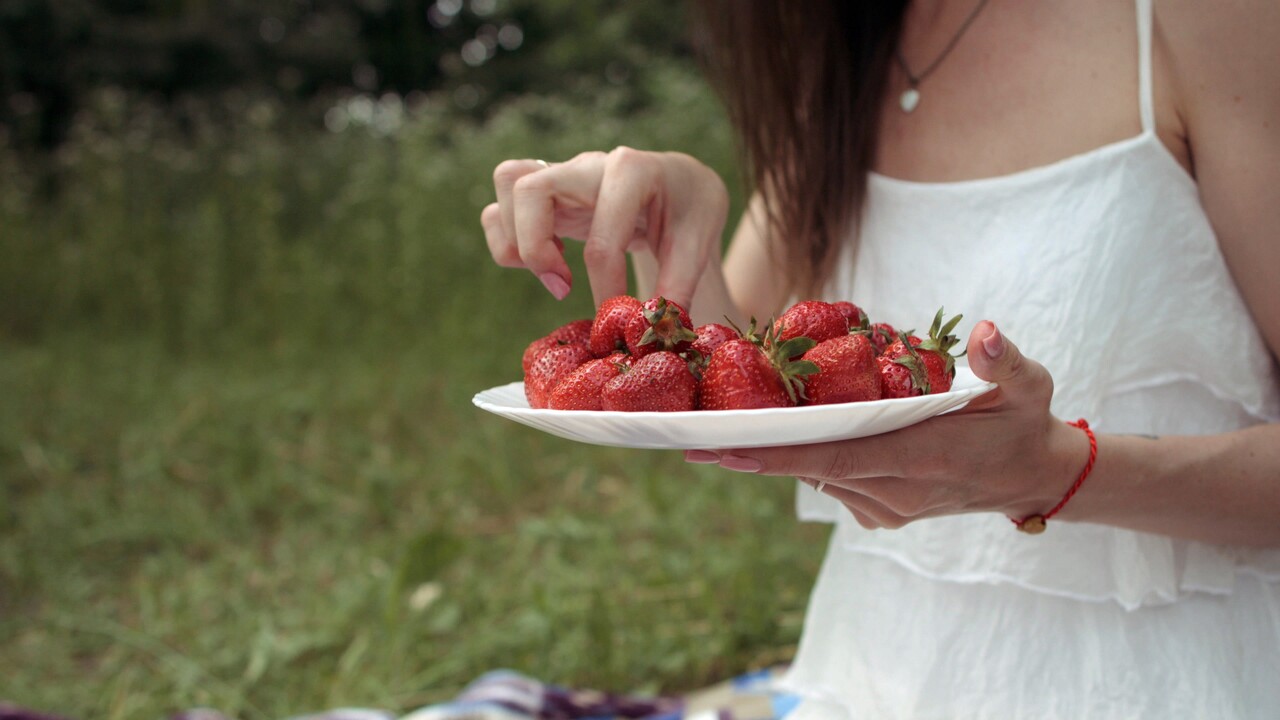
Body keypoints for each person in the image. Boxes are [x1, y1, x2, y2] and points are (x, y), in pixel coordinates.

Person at [481, 0, 1280, 716]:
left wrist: (1057, 472)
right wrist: (671, 225)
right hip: (875, 672)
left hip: (1167, 676)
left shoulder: (1208, 19)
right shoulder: (852, 48)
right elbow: (729, 378)